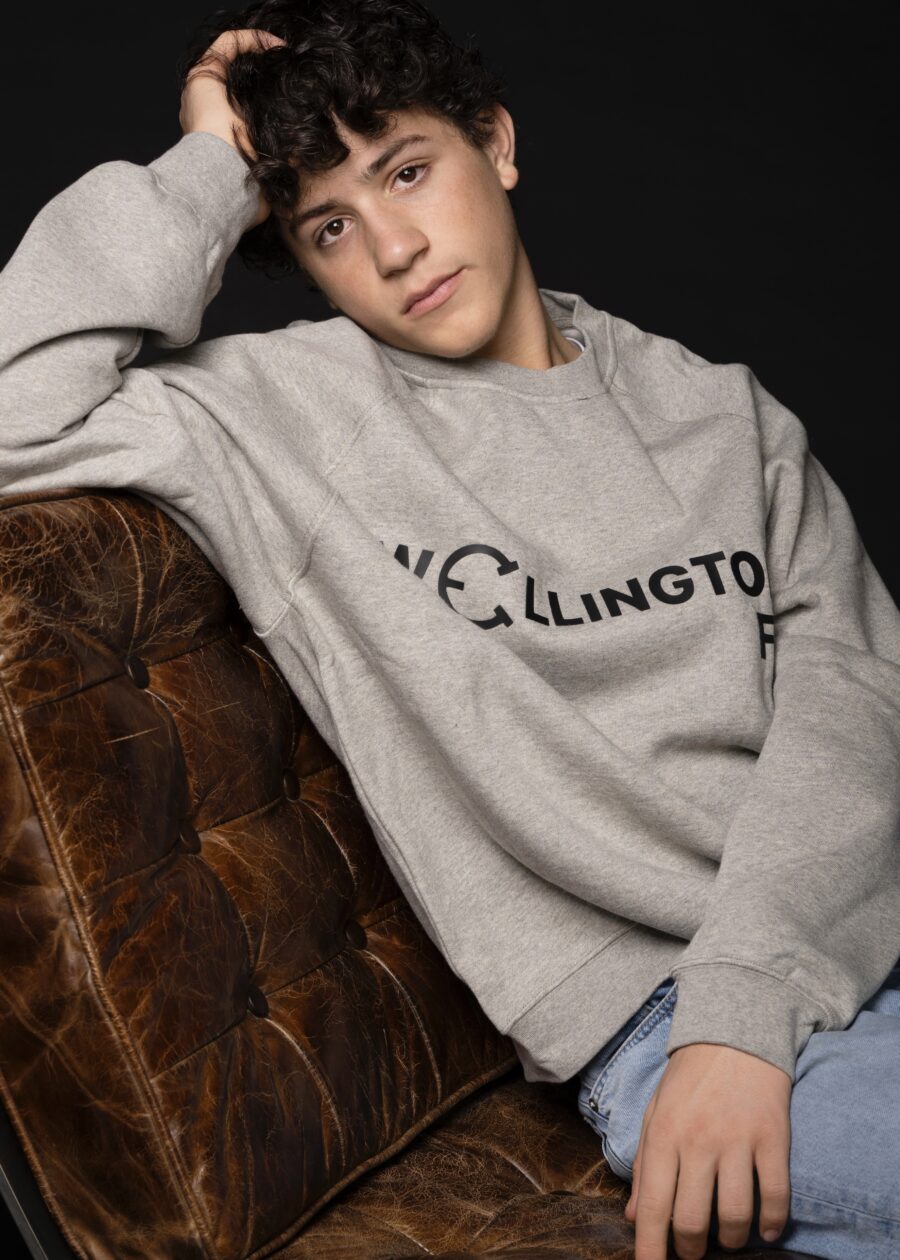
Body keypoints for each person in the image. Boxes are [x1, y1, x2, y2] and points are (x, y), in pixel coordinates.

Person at [1, 3, 897, 1258]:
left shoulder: (724, 417)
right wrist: (208, 165)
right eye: (328, 226)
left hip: (842, 936)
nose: (394, 246)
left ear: (498, 144)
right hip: (661, 1021)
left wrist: (756, 992)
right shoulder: (286, 419)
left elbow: (856, 708)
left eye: (408, 171)